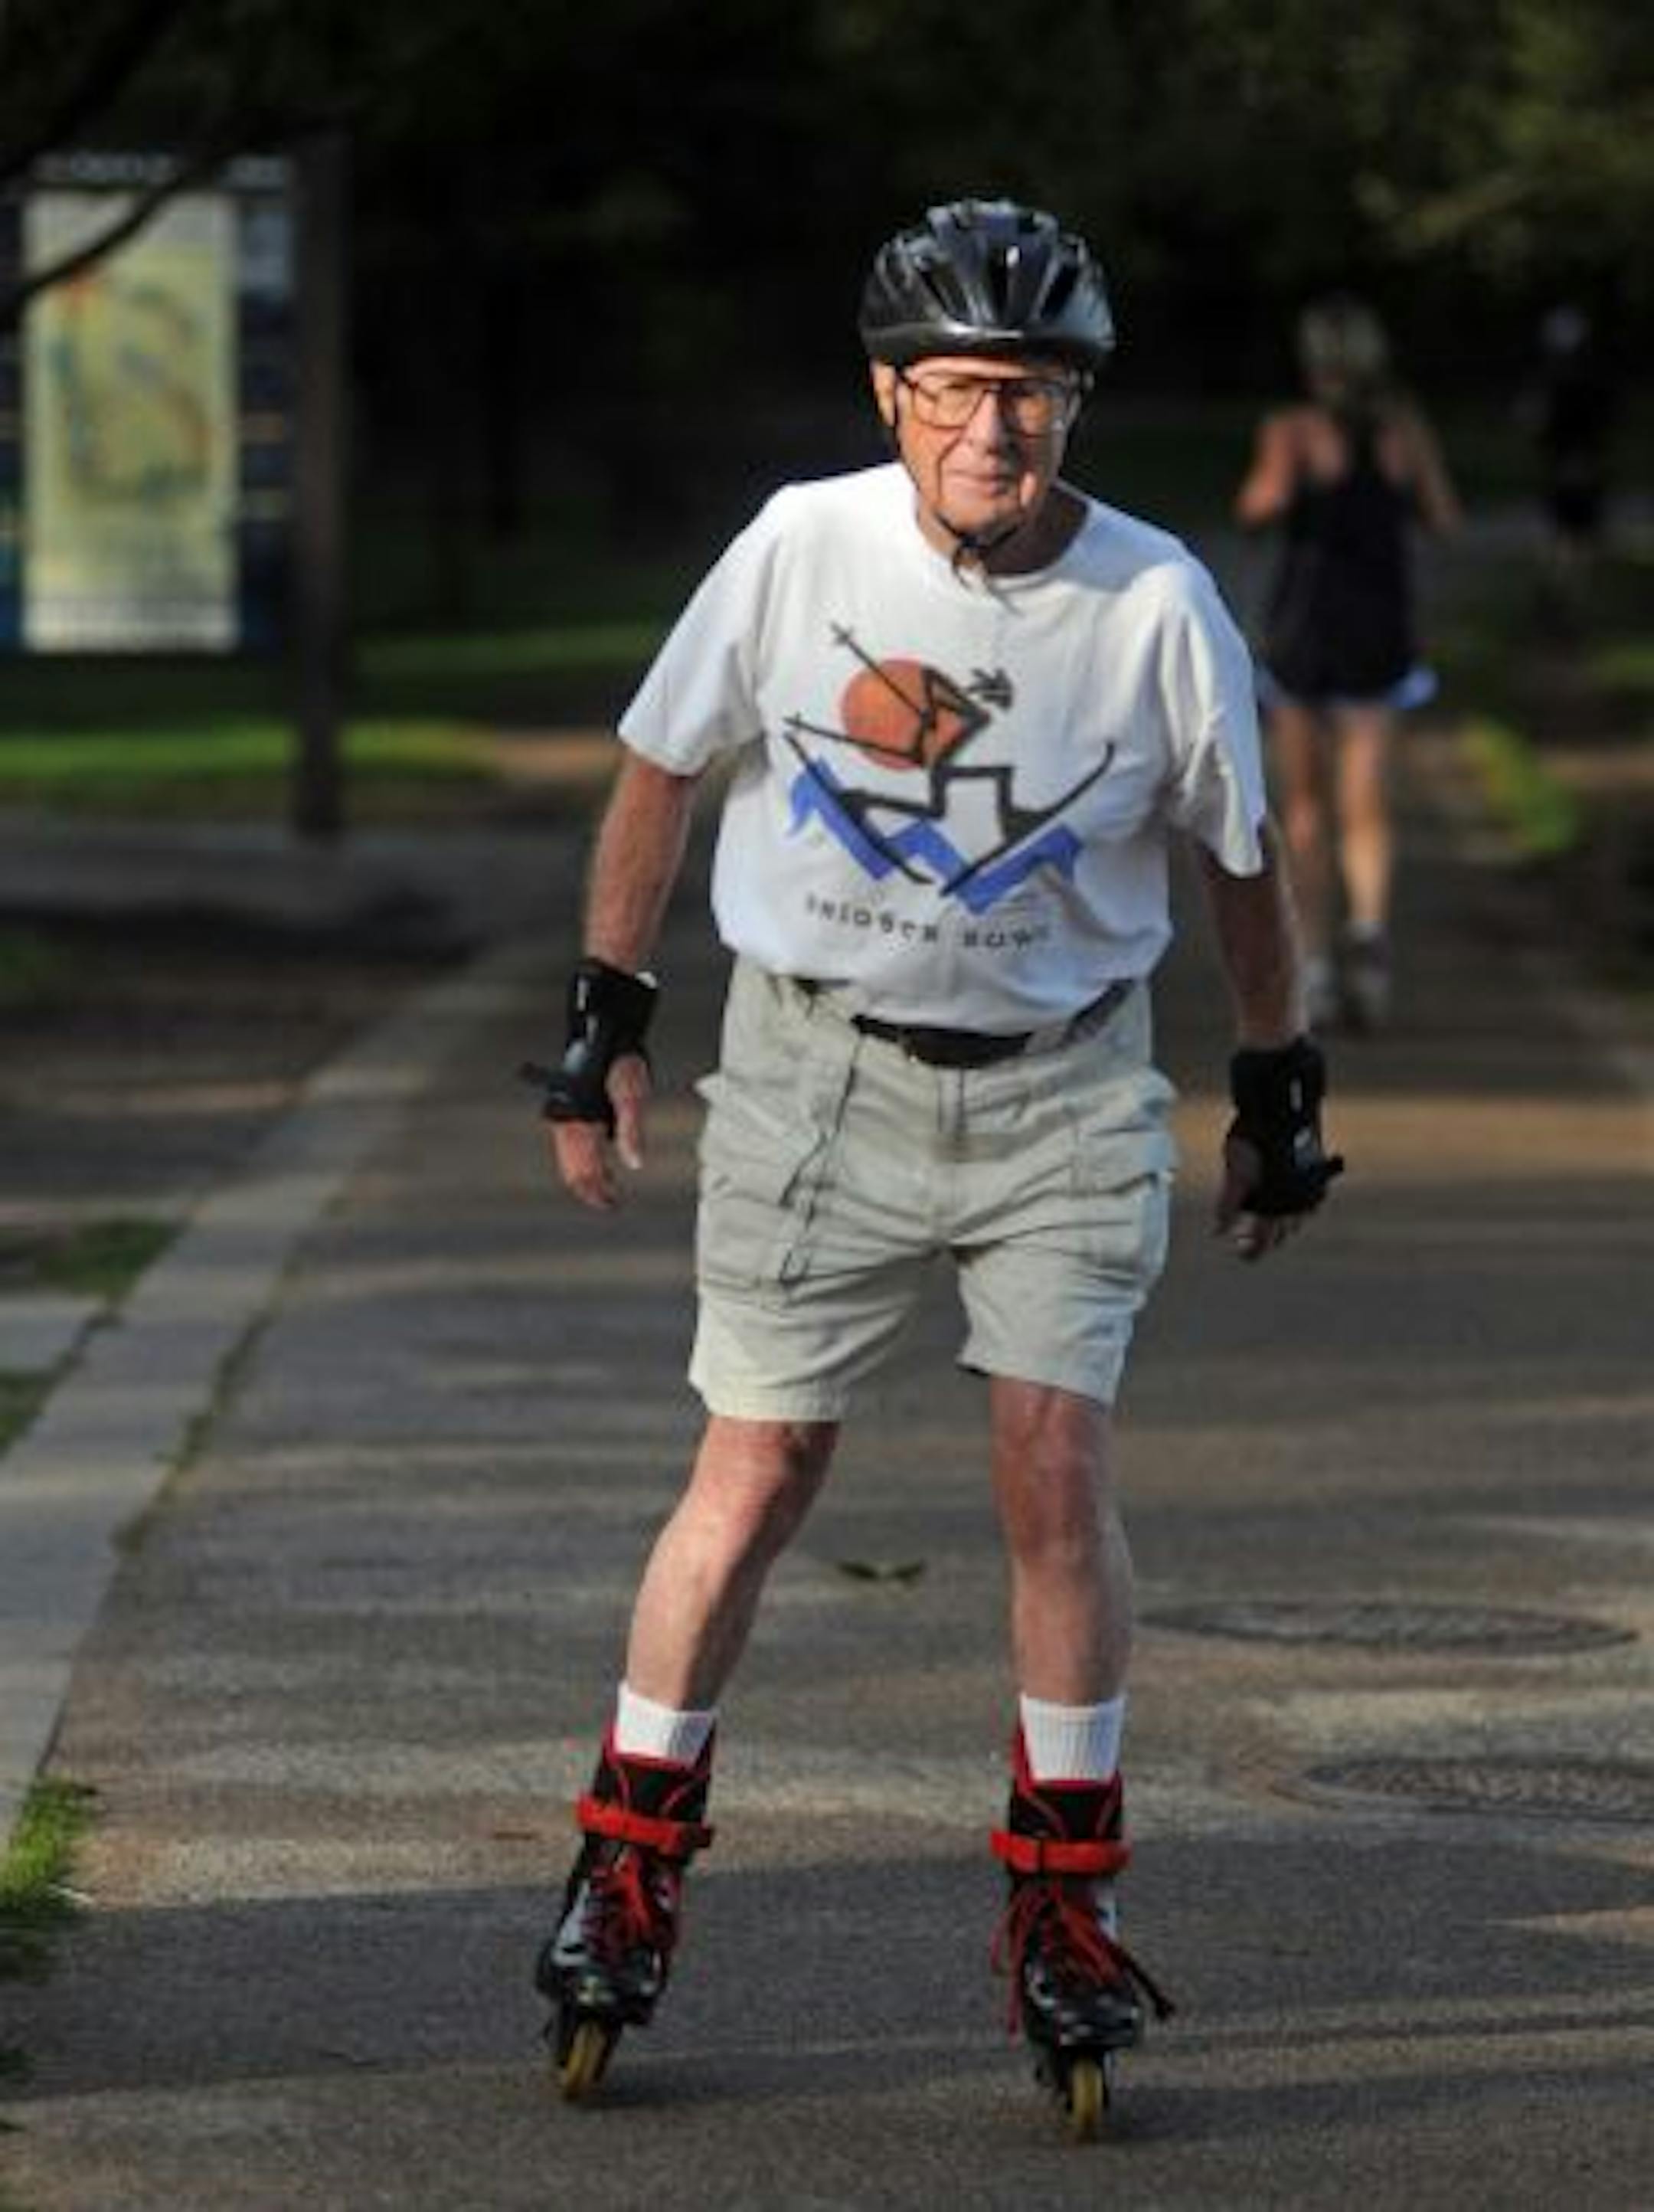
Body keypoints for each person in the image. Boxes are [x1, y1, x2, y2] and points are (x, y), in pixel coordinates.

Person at [526, 198, 1342, 2137]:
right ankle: (627, 1857)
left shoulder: (1154, 602)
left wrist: (1275, 1081)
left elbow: (1238, 855)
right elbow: (663, 764)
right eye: (963, 387)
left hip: (1064, 1088)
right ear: (891, 394)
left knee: (1053, 1466)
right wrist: (603, 1015)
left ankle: (1067, 1897)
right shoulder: (800, 546)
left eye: (1036, 391)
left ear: (1076, 407)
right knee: (757, 1464)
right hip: (814, 1075)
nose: (998, 427)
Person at [1235, 294, 1460, 1033]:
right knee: (1367, 799)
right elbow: (1444, 518)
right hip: (1379, 631)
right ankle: (1367, 932)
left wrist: (1286, 487)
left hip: (1304, 630)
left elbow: (1257, 507)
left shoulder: (1292, 430)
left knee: (1304, 809)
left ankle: (1317, 967)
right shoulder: (1403, 429)